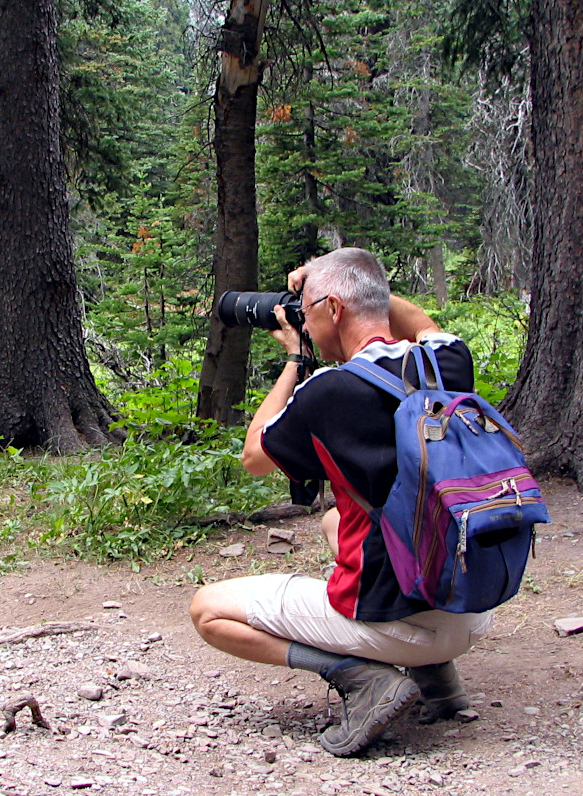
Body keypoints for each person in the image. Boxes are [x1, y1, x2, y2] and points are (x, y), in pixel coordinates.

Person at [190, 247, 492, 757]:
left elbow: (254, 455)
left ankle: (363, 679)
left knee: (207, 611)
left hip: (402, 625)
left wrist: (293, 361)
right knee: (336, 520)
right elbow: (414, 319)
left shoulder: (327, 392)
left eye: (306, 310)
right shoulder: (444, 360)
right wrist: (350, 284)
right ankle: (439, 680)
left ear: (333, 309)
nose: (303, 320)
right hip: (472, 601)